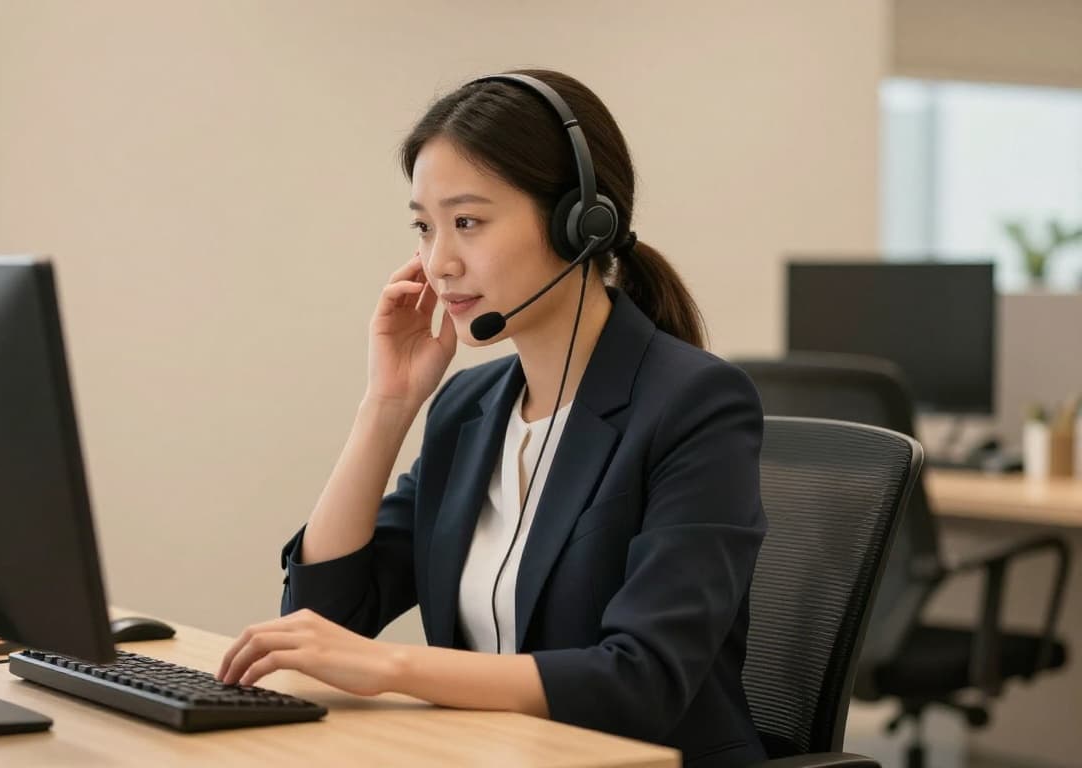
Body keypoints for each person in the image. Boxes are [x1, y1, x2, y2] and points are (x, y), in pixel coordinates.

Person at [218, 69, 768, 768]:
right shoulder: (468, 409)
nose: (438, 262)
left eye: (467, 222)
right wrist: (385, 408)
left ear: (581, 223)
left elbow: (641, 680)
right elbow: (324, 618)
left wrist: (394, 669)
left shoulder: (695, 404)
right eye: (424, 227)